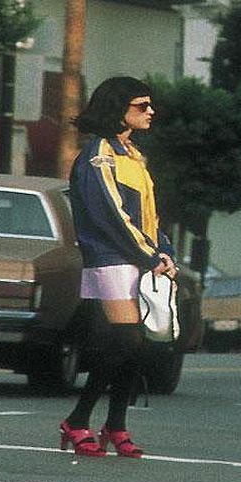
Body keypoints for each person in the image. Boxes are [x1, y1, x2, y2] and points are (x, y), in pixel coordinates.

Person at [59, 76, 178, 458]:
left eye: (149, 105)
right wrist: (150, 255)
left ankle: (116, 425)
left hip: (138, 257)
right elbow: (111, 214)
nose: (151, 111)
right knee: (125, 340)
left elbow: (148, 214)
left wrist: (165, 251)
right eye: (142, 106)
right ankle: (77, 421)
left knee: (136, 347)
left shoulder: (131, 154)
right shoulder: (100, 155)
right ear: (118, 109)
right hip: (110, 258)